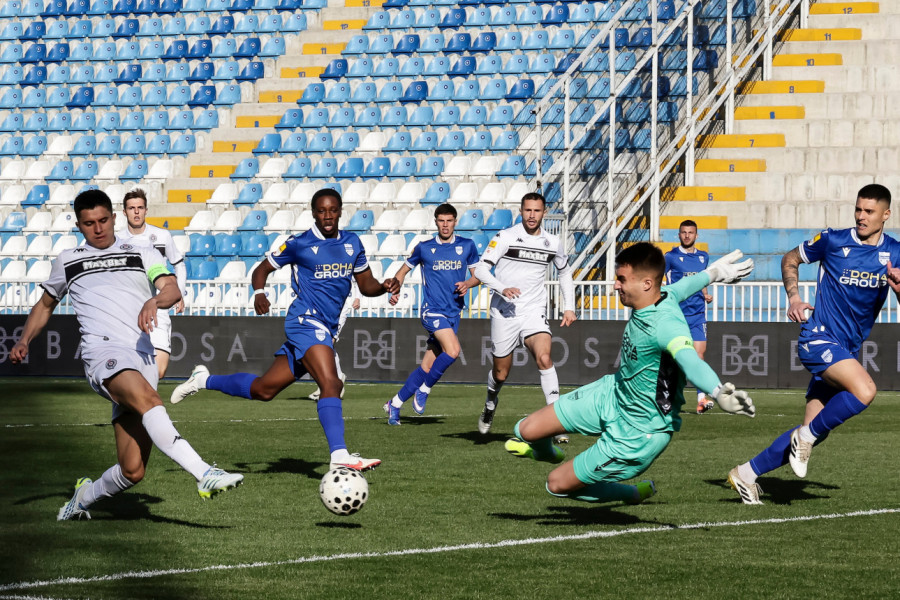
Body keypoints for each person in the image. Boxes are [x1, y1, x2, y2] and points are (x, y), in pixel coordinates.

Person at [11, 190, 242, 521]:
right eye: (89, 223)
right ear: (79, 225)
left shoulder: (142, 251)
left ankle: (82, 498)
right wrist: (24, 339)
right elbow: (45, 305)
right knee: (150, 401)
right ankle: (204, 473)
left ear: (114, 218)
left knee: (132, 470)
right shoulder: (68, 260)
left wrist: (156, 300)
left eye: (103, 220)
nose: (98, 228)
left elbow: (172, 287)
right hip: (102, 352)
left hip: (142, 355)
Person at [505, 243, 756, 505]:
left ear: (647, 284)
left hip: (639, 430)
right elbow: (684, 287)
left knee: (555, 484)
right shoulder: (664, 293)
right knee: (524, 429)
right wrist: (715, 273)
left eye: (622, 280)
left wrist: (717, 391)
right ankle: (547, 453)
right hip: (612, 394)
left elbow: (690, 361)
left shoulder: (666, 326)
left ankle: (632, 494)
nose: (615, 286)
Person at [170, 188, 399, 472]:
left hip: (325, 328)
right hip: (305, 321)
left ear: (341, 211)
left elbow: (366, 285)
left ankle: (203, 380)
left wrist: (385, 286)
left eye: (333, 210)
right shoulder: (299, 243)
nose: (327, 216)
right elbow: (261, 270)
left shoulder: (352, 243)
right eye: (321, 211)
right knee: (331, 383)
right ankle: (340, 455)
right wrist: (259, 293)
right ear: (313, 213)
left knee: (264, 390)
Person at [728, 184, 900, 505]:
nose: (861, 217)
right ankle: (803, 437)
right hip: (817, 338)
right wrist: (793, 296)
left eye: (869, 212)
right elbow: (790, 257)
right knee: (865, 391)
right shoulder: (833, 240)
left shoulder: (896, 253)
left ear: (885, 215)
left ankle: (746, 473)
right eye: (858, 209)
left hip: (845, 351)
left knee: (813, 430)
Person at [473, 192, 576, 441]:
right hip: (505, 312)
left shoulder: (552, 242)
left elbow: (564, 273)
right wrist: (501, 288)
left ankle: (557, 423)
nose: (532, 215)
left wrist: (569, 306)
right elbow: (481, 269)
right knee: (501, 374)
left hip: (533, 311)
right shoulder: (506, 237)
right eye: (528, 210)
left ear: (544, 213)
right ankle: (489, 403)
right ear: (521, 211)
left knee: (544, 358)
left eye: (537, 211)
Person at [383, 203, 481, 425]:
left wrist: (467, 283)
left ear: (455, 222)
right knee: (454, 350)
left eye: (449, 221)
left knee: (427, 366)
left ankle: (395, 404)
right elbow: (403, 270)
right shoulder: (424, 247)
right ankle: (424, 390)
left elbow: (478, 276)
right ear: (435, 222)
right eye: (441, 221)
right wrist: (396, 290)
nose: (445, 225)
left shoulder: (467, 246)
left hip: (453, 312)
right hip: (431, 310)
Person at [117, 188, 187, 379]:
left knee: (159, 370)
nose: (136, 212)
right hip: (129, 310)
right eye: (132, 208)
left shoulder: (162, 236)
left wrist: (179, 293)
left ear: (146, 210)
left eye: (140, 207)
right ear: (124, 212)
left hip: (158, 307)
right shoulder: (118, 241)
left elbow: (178, 264)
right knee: (130, 367)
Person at [665, 219, 715, 414]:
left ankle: (701, 399)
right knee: (675, 358)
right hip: (677, 314)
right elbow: (661, 279)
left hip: (697, 314)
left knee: (698, 355)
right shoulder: (670, 257)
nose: (687, 235)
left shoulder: (703, 258)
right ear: (679, 235)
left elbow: (700, 280)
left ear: (696, 235)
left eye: (690, 232)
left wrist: (704, 293)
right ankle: (668, 396)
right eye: (684, 232)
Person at [308, 279, 359, 401]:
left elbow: (357, 277)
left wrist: (357, 297)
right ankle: (333, 380)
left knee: (327, 344)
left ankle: (331, 382)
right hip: (325, 310)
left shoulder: (345, 261)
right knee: (323, 345)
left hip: (340, 311)